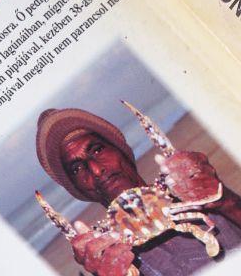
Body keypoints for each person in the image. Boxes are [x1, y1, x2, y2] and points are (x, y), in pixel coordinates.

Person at [36, 107, 241, 276]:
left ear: (122, 150)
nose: (96, 170)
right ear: (77, 189)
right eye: (77, 168)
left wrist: (226, 201)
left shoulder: (195, 191)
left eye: (97, 150)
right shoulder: (108, 259)